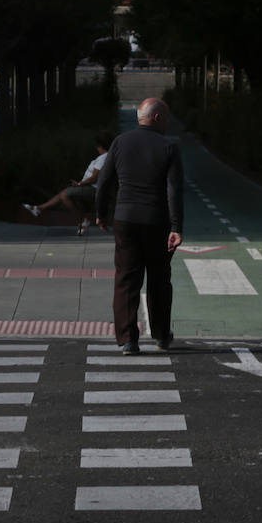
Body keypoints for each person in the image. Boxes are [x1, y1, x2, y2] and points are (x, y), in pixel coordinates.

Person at [95, 99, 183, 355]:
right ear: (157, 118)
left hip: (125, 219)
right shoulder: (169, 147)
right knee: (159, 279)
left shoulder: (120, 142)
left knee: (126, 279)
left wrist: (101, 214)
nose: (167, 123)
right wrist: (176, 226)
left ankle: (128, 339)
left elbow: (104, 183)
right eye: (166, 118)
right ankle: (161, 335)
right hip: (157, 221)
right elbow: (174, 190)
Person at [23, 134, 111, 235]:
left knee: (65, 195)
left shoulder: (103, 158)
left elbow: (95, 177)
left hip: (92, 188)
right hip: (89, 187)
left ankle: (82, 221)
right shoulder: (104, 157)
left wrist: (79, 183)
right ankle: (39, 208)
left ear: (100, 146)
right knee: (64, 194)